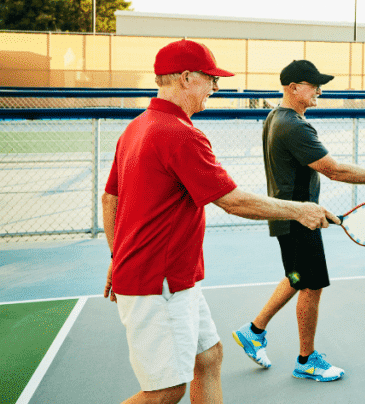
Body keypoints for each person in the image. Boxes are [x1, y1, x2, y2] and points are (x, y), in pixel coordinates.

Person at [102, 39, 340, 404]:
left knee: (209, 357)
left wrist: (118, 256)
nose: (215, 87)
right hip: (159, 282)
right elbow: (232, 201)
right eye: (210, 78)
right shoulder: (181, 135)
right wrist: (300, 210)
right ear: (185, 78)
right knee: (165, 391)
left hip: (171, 277)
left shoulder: (137, 126)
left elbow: (110, 198)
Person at [231, 59, 365, 382]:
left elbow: (293, 174)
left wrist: (313, 207)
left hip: (292, 215)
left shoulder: (275, 117)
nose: (319, 90)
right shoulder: (293, 125)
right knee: (312, 285)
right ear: (293, 88)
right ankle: (306, 360)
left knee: (297, 276)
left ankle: (253, 331)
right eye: (313, 85)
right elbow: (334, 169)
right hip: (297, 220)